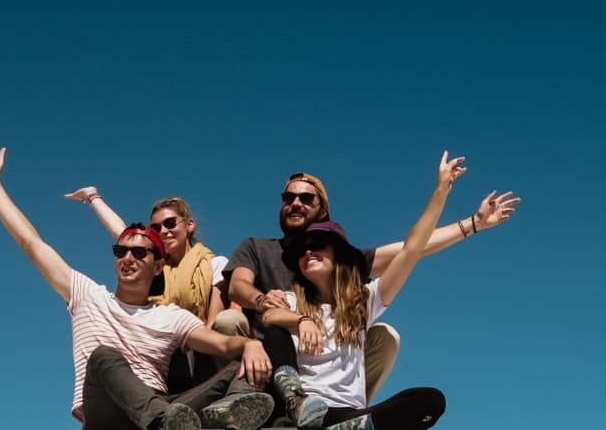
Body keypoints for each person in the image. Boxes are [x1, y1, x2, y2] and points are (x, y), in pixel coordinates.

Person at [0, 138, 273, 430]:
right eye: (120, 250)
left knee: (243, 364)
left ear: (158, 266)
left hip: (167, 410)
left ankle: (213, 416)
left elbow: (222, 344)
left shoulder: (170, 316)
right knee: (103, 356)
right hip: (108, 415)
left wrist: (250, 345)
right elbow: (32, 243)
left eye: (139, 252)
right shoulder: (85, 295)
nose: (128, 257)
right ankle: (168, 422)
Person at [221, 170, 519, 404]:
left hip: (331, 369)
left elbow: (411, 249)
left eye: (306, 199)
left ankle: (354, 413)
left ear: (323, 211)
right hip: (265, 352)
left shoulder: (344, 264)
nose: (295, 203)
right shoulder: (257, 247)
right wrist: (267, 305)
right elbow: (238, 287)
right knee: (229, 320)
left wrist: (473, 223)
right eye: (288, 197)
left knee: (386, 336)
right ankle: (242, 412)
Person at [259, 153, 466, 430]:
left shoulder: (364, 302)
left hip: (348, 415)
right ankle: (300, 406)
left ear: (339, 257)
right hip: (300, 416)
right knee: (276, 332)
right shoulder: (292, 300)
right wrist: (302, 319)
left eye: (318, 245)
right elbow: (268, 317)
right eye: (302, 249)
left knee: (430, 400)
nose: (308, 251)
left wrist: (440, 191)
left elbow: (411, 250)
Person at [63, 187, 258, 390]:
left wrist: (190, 336)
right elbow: (123, 235)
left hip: (203, 348)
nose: (163, 231)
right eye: (156, 228)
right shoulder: (152, 269)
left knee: (229, 320)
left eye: (170, 223)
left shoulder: (214, 264)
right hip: (162, 349)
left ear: (189, 225)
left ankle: (237, 393)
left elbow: (213, 319)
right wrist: (93, 197)